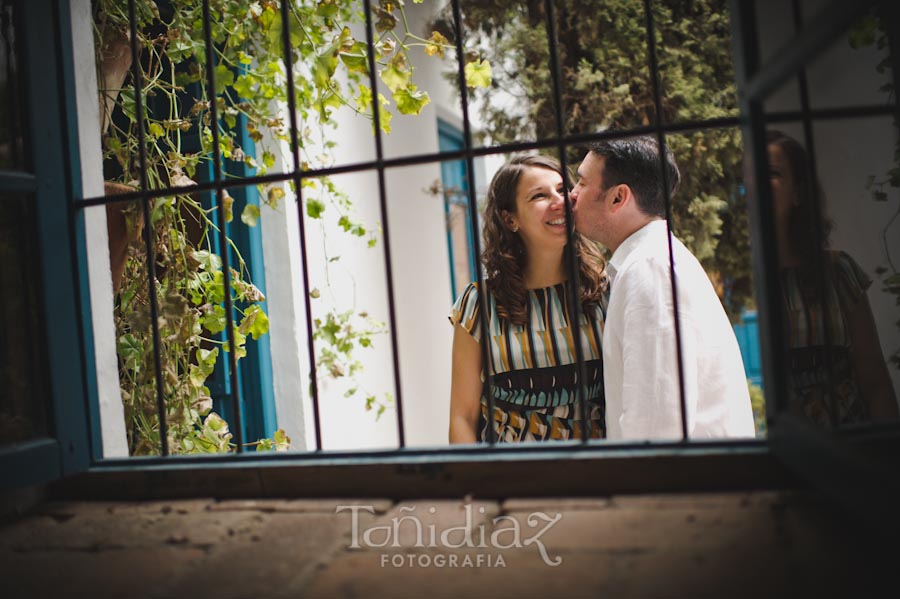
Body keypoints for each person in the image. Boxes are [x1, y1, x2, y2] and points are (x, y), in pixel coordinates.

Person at [570, 136, 755, 440]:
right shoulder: (654, 260)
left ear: (618, 198)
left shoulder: (649, 269)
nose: (572, 194)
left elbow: (656, 427)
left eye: (581, 182)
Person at [448, 155, 609, 443]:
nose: (559, 201)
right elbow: (463, 416)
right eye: (539, 195)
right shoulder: (478, 305)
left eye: (562, 190)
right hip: (511, 477)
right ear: (510, 219)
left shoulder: (605, 290)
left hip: (598, 472)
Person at [766, 130, 898, 425]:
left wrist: (887, 454)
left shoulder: (838, 271)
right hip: (787, 459)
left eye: (772, 173)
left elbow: (874, 378)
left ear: (798, 192)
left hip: (854, 449)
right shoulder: (747, 283)